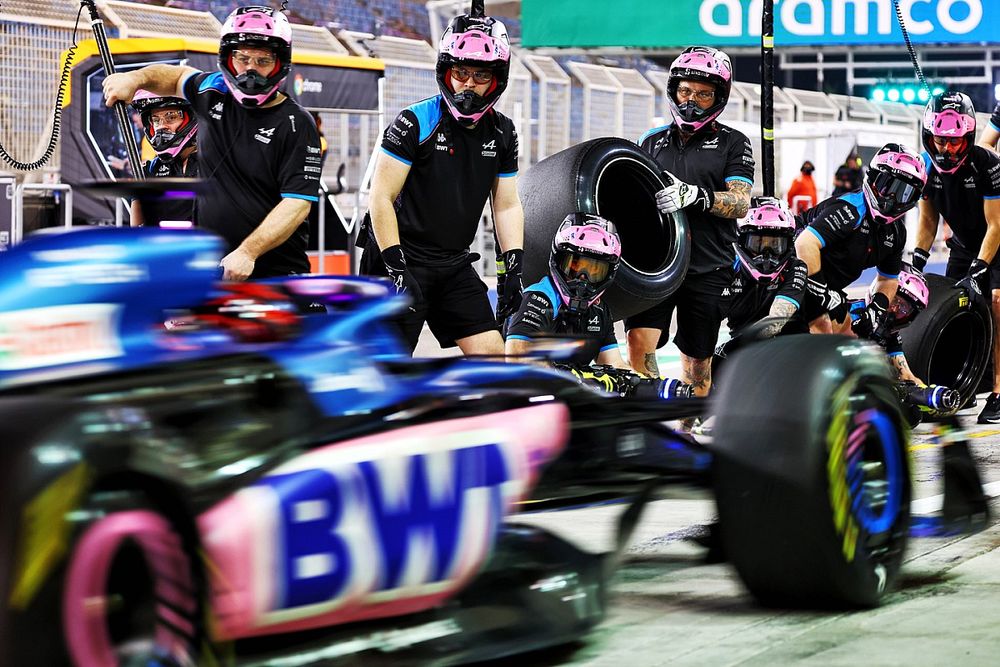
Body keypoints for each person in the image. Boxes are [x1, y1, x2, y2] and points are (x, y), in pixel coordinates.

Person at [103, 5, 322, 280]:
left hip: (272, 275)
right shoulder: (212, 92)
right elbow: (176, 77)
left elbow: (297, 202)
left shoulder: (296, 123)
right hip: (211, 274)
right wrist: (134, 79)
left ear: (280, 63)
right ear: (228, 59)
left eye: (263, 61)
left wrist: (248, 253)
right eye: (243, 59)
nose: (250, 70)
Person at [359, 6, 523, 356]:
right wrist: (396, 268)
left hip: (453, 264)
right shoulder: (415, 121)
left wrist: (512, 270)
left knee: (495, 358)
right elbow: (381, 198)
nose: (468, 84)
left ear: (497, 79)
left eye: (480, 76)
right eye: (460, 72)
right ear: (446, 72)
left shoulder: (504, 131)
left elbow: (506, 205)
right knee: (384, 372)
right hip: (398, 261)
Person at [626, 46, 754, 403]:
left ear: (718, 97)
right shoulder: (649, 142)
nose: (691, 101)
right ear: (673, 90)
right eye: (685, 91)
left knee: (697, 362)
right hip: (656, 263)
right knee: (639, 344)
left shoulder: (734, 143)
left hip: (709, 267)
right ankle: (652, 415)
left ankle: (688, 425)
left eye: (702, 94)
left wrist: (697, 196)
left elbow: (741, 202)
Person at [506, 213, 690, 400]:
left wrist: (652, 385)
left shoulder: (600, 311)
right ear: (558, 260)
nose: (582, 279)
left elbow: (615, 365)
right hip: (523, 404)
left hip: (568, 404)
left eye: (594, 270)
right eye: (576, 266)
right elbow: (519, 359)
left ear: (608, 274)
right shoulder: (539, 298)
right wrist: (581, 379)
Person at [912, 91, 1000, 423]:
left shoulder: (988, 163)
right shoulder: (924, 165)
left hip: (997, 241)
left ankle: (998, 391)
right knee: (950, 305)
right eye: (941, 141)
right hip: (963, 245)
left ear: (968, 138)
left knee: (995, 300)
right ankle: (957, 386)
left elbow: (996, 224)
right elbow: (927, 221)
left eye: (955, 142)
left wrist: (981, 268)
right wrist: (917, 261)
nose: (947, 149)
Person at [794, 143, 927, 336]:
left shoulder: (897, 233)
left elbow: (888, 280)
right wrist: (823, 294)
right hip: (795, 272)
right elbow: (804, 244)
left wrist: (876, 310)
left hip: (826, 286)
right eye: (886, 186)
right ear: (872, 179)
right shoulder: (850, 209)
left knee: (852, 334)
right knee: (822, 329)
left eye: (903, 193)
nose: (891, 198)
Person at [714, 197, 807, 366]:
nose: (767, 254)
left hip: (791, 348)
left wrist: (728, 350)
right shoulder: (726, 266)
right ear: (742, 241)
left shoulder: (796, 267)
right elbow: (706, 317)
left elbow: (776, 321)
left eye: (775, 244)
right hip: (745, 351)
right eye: (758, 243)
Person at [128, 89, 199, 227]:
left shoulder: (216, 162)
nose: (162, 126)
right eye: (156, 120)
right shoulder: (149, 171)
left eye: (171, 117)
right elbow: (137, 230)